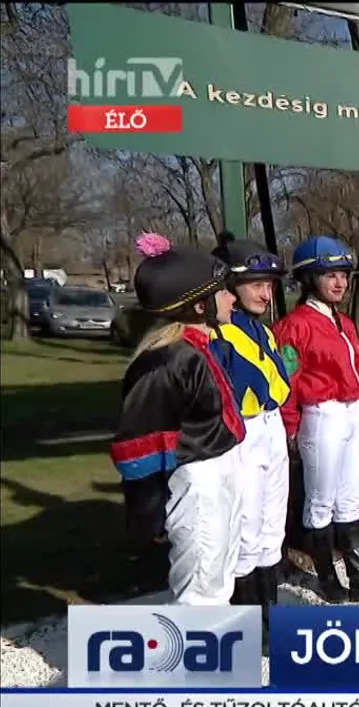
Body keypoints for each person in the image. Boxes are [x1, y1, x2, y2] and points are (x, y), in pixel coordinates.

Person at [110, 232, 245, 605]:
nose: (232, 298)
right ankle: (192, 645)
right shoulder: (167, 362)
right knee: (200, 591)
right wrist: (148, 512)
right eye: (223, 292)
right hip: (197, 480)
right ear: (200, 306)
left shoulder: (198, 349)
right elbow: (138, 446)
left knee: (220, 580)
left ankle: (217, 641)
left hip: (221, 470)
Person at [274, 236, 359, 605]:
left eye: (343, 275)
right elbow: (287, 379)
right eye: (330, 275)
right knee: (320, 501)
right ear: (310, 278)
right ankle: (328, 578)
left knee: (351, 500)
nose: (340, 282)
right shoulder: (295, 325)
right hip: (322, 414)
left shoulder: (344, 321)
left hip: (353, 413)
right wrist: (290, 426)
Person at [208, 232, 291, 631]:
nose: (266, 294)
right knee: (247, 527)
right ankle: (246, 620)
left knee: (273, 523)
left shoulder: (264, 331)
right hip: (244, 431)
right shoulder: (220, 334)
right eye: (256, 285)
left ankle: (269, 613)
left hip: (272, 427)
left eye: (269, 286)